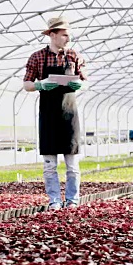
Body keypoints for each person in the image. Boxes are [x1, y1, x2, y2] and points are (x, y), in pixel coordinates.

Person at [23, 16, 88, 210]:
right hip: (49, 115)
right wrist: (39, 84)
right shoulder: (37, 57)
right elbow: (26, 84)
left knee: (72, 165)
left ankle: (72, 200)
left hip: (69, 115)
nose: (67, 39)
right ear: (52, 35)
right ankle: (54, 201)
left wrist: (81, 85)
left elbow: (85, 80)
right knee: (50, 166)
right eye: (64, 35)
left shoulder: (74, 56)